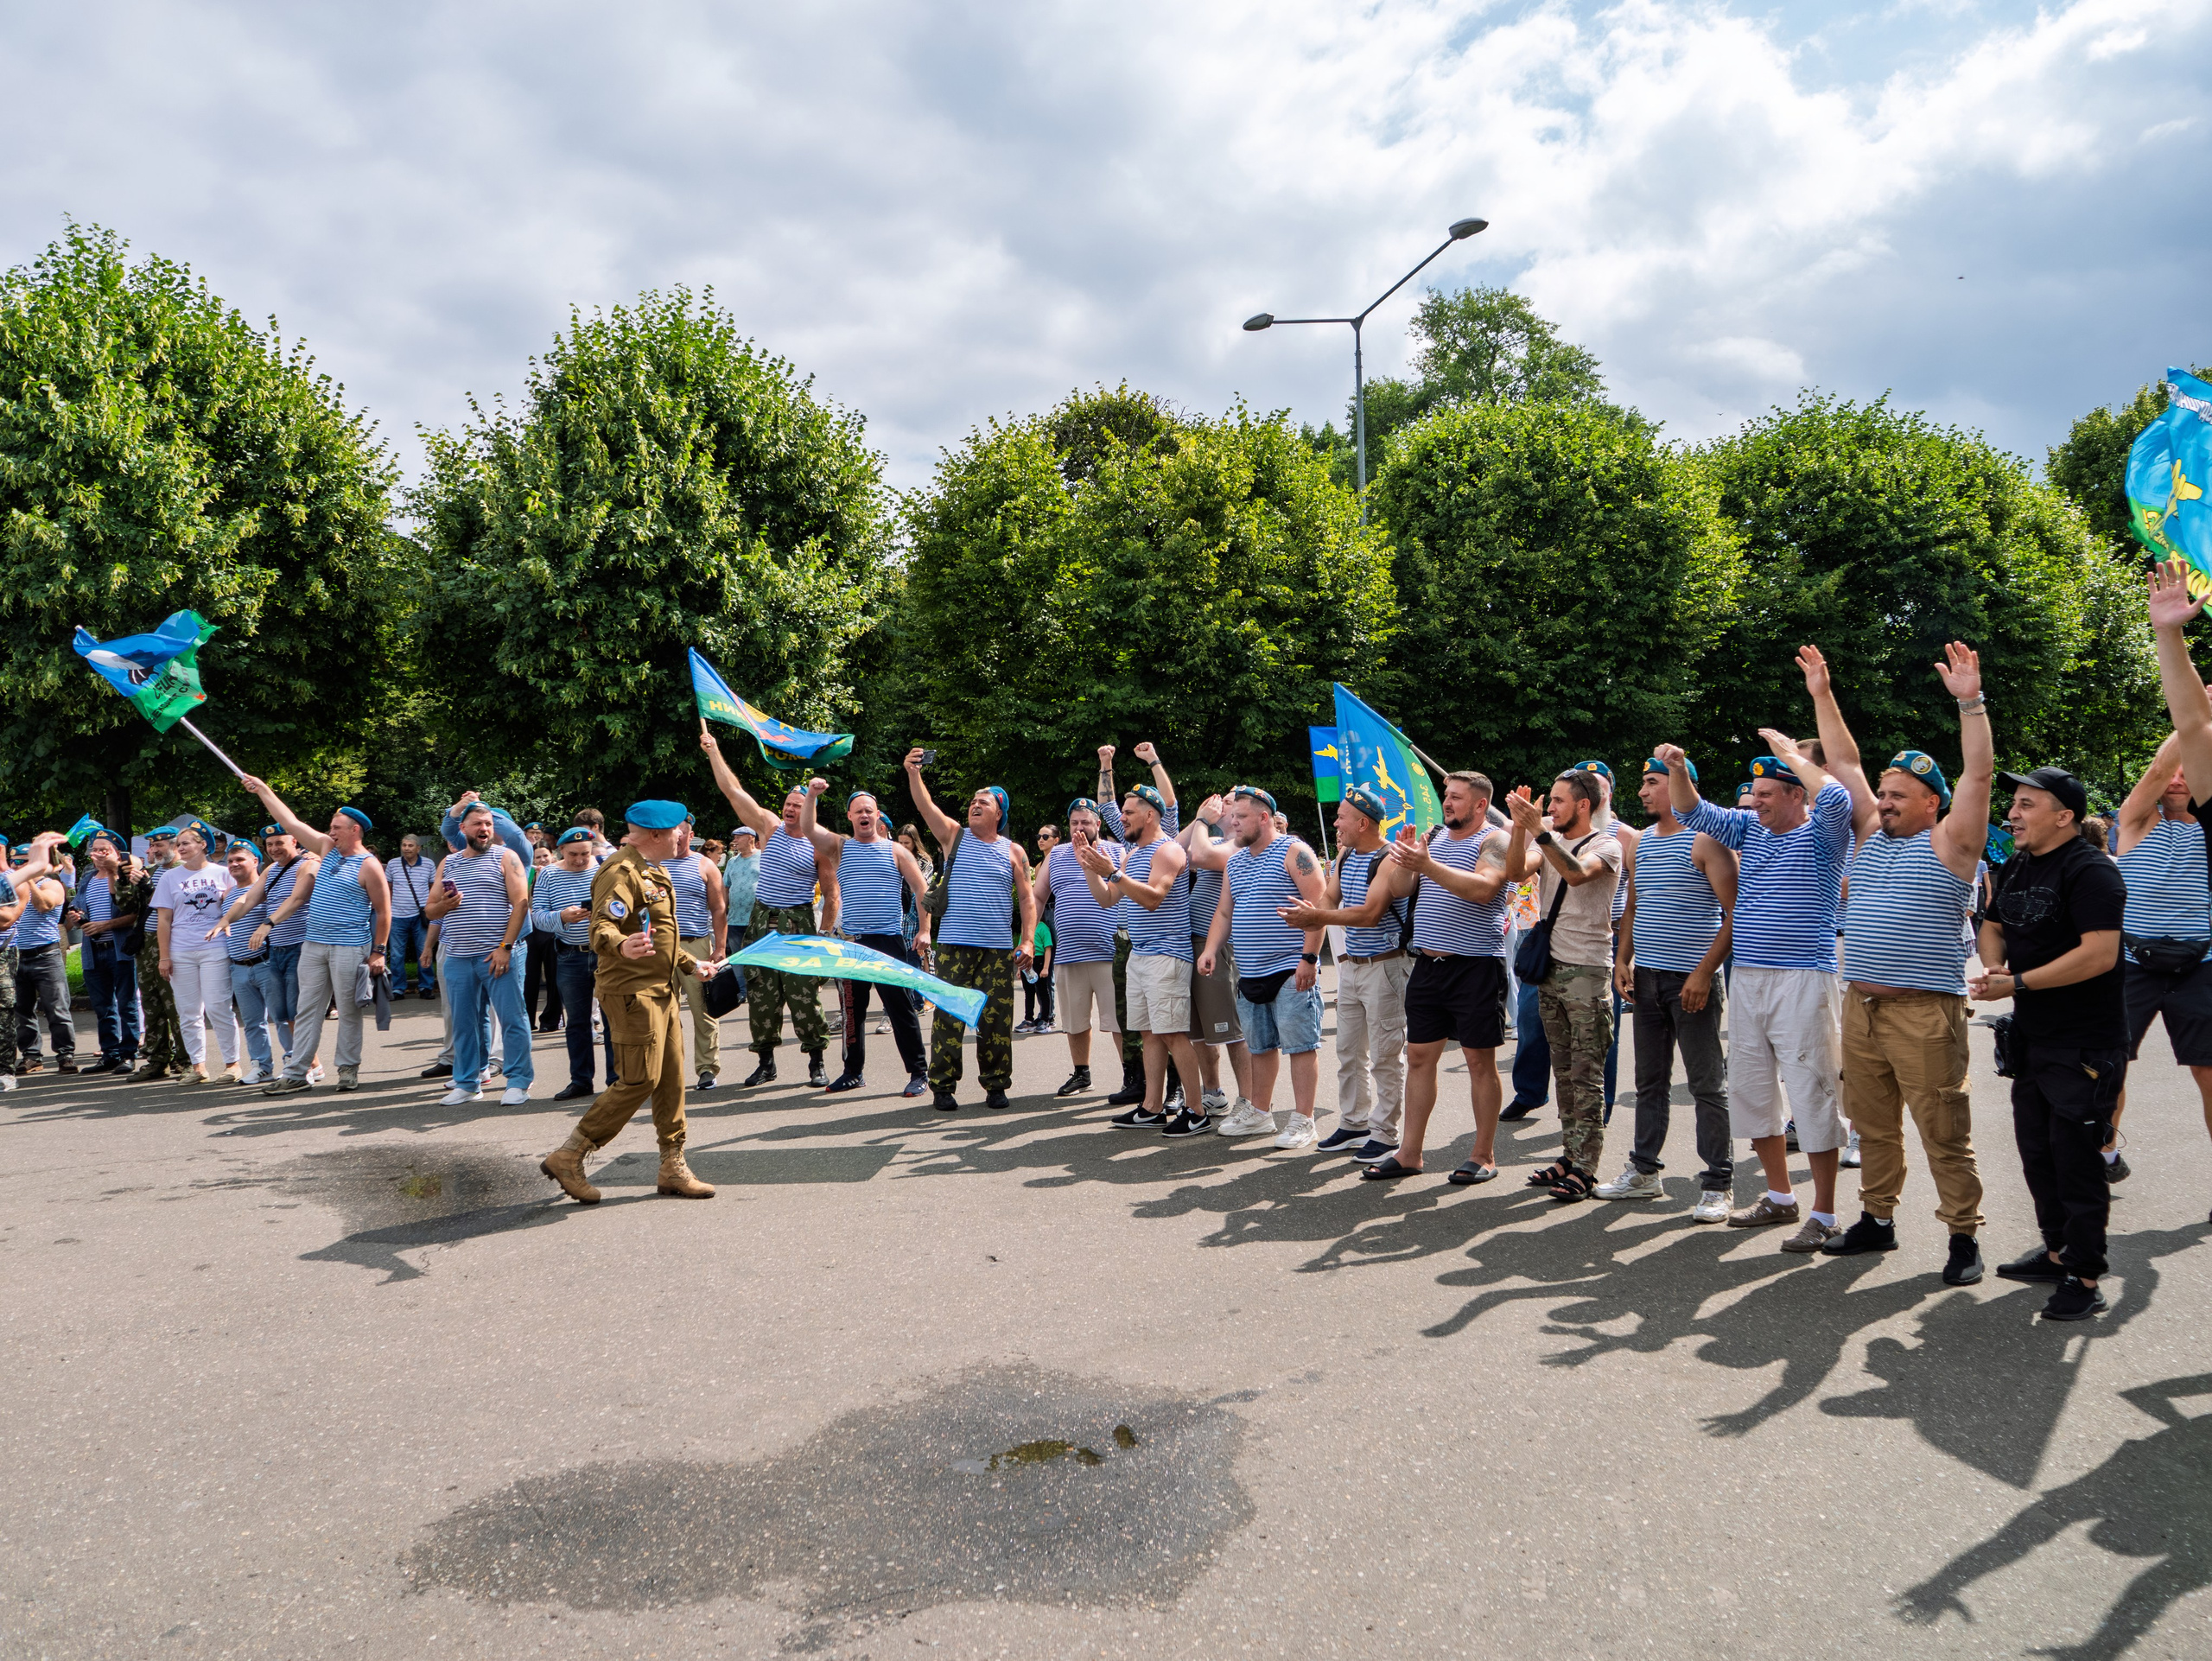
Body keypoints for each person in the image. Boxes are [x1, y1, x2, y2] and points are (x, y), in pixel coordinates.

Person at [1789, 642, 1993, 1283]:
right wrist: (1822, 694)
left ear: (1934, 802)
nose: (1883, 800)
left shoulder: (1954, 841)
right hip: (1864, 1007)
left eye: (1898, 794)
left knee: (1942, 1131)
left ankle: (1963, 1238)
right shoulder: (1872, 836)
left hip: (1924, 1013)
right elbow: (1844, 759)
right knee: (1873, 1127)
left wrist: (1970, 704)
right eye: (1882, 791)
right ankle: (1877, 1220)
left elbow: (1980, 777)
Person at [1660, 725, 1854, 1250]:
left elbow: (1836, 794)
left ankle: (1825, 1212)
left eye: (1769, 793)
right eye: (1756, 794)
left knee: (1812, 1091)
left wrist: (1792, 754)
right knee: (1753, 1091)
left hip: (1802, 979)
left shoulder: (1822, 834)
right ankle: (1780, 1197)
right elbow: (1693, 812)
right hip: (1747, 976)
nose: (1756, 801)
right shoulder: (1751, 829)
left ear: (1797, 794)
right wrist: (1678, 770)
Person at [1972, 765, 2126, 1321]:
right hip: (2035, 1037)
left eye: (2027, 804)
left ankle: (2085, 1278)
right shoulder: (2017, 864)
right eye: (2014, 802)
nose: (2012, 813)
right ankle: (2058, 1252)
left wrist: (2018, 983)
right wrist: (1994, 968)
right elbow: (1993, 925)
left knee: (2076, 1161)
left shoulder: (2091, 872)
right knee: (2038, 1152)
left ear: (2064, 816)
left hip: (2085, 1044)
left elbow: (2100, 954)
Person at [538, 800, 721, 1204]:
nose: (683, 836)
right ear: (657, 834)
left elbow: (662, 936)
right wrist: (622, 944)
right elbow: (600, 926)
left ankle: (672, 1165)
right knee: (641, 1078)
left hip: (661, 990)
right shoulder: (620, 871)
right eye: (678, 830)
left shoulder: (654, 871)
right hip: (631, 993)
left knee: (671, 1077)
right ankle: (571, 1152)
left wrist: (693, 965)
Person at [1363, 773, 1534, 1181]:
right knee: (1420, 1057)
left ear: (1479, 805)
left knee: (1479, 1061)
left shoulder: (1494, 840)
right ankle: (1410, 1153)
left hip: (1475, 966)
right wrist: (1407, 860)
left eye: (1456, 797)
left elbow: (1484, 889)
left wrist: (1427, 864)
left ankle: (1484, 1154)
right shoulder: (1436, 838)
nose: (1447, 802)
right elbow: (1403, 890)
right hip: (1428, 966)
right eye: (1446, 795)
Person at [1602, 757, 1737, 1220]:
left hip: (1691, 981)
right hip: (1648, 979)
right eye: (1641, 782)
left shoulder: (1707, 841)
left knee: (1706, 1085)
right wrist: (1623, 960)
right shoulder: (1641, 845)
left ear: (1682, 786)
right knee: (1649, 1082)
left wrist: (1703, 974)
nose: (1642, 791)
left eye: (1652, 783)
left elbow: (1735, 916)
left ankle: (1719, 1183)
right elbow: (1634, 907)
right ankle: (1644, 1172)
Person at [1280, 785, 1413, 1159]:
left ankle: (1385, 1134)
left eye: (1341, 817)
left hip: (1385, 967)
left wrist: (1315, 916)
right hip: (1352, 967)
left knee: (1386, 1055)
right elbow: (1329, 899)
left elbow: (1370, 914)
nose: (1335, 822)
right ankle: (1355, 1124)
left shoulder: (1389, 858)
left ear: (1363, 823)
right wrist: (1310, 915)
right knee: (1349, 1051)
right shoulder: (1346, 855)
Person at [1509, 771, 1624, 1200]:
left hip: (1588, 972)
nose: (1550, 807)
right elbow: (1516, 872)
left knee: (1586, 1073)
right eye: (1548, 801)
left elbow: (1575, 874)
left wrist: (1538, 829)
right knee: (1563, 1071)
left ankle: (1587, 1169)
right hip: (1552, 971)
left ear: (1583, 805)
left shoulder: (1606, 845)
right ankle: (1569, 1157)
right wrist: (1522, 826)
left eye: (1557, 801)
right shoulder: (1547, 839)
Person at [1192, 786, 1327, 1149]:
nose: (1233, 823)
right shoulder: (1235, 861)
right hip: (1250, 971)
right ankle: (1260, 1113)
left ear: (1264, 818)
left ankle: (1303, 1121)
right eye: (1232, 817)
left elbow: (1317, 908)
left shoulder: (1295, 852)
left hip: (1290, 968)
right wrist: (1210, 949)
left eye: (1241, 817)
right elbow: (1224, 910)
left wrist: (1309, 959)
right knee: (1260, 1047)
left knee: (1300, 1046)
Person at [238, 780, 391, 1096]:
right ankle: (297, 1072)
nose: (331, 832)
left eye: (337, 828)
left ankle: (348, 1069)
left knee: (348, 1009)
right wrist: (264, 790)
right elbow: (290, 822)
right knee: (306, 1009)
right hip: (314, 944)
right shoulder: (326, 850)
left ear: (355, 831)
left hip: (350, 947)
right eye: (331, 827)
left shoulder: (369, 865)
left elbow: (384, 911)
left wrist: (379, 952)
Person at [905, 750, 1037, 1111]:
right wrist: (913, 773)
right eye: (973, 801)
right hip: (953, 946)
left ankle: (996, 1086)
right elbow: (926, 807)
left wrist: (1027, 939)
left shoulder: (1014, 852)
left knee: (995, 1021)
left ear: (999, 813)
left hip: (996, 950)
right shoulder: (954, 836)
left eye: (984, 801)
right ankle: (943, 1087)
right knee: (948, 1017)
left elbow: (1027, 900)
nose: (975, 805)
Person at [700, 730, 833, 1087]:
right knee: (761, 996)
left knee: (803, 996)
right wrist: (714, 751)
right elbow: (734, 790)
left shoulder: (819, 844)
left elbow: (832, 896)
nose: (791, 809)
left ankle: (816, 1062)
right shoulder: (769, 828)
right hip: (761, 922)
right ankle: (766, 1063)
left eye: (799, 804)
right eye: (788, 804)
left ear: (811, 808)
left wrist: (825, 937)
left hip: (799, 922)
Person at [2108, 730, 2211, 1185]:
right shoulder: (2134, 822)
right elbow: (2155, 772)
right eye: (2174, 768)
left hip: (2201, 964)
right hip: (2133, 962)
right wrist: (2191, 725)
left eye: (2190, 770)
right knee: (2108, 1062)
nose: (2177, 777)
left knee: (2209, 1075)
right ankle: (2104, 1154)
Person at [1076, 781, 1206, 1135]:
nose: (1122, 818)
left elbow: (1153, 898)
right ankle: (1151, 1107)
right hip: (1140, 954)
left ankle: (1197, 1111)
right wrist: (1087, 862)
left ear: (1150, 815)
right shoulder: (1135, 853)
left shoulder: (1168, 851)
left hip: (1167, 955)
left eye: (1128, 812)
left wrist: (1112, 871)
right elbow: (1107, 899)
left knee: (1173, 1034)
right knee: (1149, 1034)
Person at [819, 786, 933, 1096]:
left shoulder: (896, 850)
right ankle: (853, 1072)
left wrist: (925, 930)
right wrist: (813, 797)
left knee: (900, 1009)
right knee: (852, 1012)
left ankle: (919, 1072)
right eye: (859, 811)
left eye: (870, 810)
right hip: (853, 943)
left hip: (888, 942)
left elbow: (922, 890)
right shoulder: (840, 848)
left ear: (878, 814)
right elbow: (807, 828)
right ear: (850, 816)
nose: (865, 815)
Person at [423, 801, 535, 1107]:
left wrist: (505, 947)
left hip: (497, 954)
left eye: (488, 824)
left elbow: (521, 903)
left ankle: (519, 1081)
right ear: (463, 829)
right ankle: (468, 1082)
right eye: (477, 824)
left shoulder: (506, 857)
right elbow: (430, 909)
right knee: (465, 1022)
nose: (484, 829)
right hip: (459, 956)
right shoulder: (449, 863)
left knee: (513, 1019)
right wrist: (445, 905)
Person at [1035, 797, 1125, 1100]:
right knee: (1074, 1021)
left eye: (1086, 822)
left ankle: (1132, 1076)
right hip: (1069, 954)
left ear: (1098, 824)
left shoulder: (1115, 850)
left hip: (1110, 953)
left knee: (1120, 1022)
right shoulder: (1057, 854)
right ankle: (1081, 1073)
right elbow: (1037, 897)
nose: (1080, 827)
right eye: (1074, 823)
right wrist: (1027, 936)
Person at [217, 822, 315, 1083]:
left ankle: (301, 1065)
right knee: (276, 1015)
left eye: (279, 842)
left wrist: (267, 924)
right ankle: (272, 1066)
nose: (274, 848)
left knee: (292, 1014)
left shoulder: (306, 865)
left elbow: (297, 899)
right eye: (270, 844)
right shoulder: (271, 870)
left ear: (294, 841)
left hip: (297, 947)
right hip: (275, 952)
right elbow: (248, 900)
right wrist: (224, 921)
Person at [1180, 799, 1255, 1123]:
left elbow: (1199, 856)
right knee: (1199, 1032)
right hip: (1193, 943)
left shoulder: (1238, 845)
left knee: (1231, 1031)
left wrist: (1200, 820)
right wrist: (1199, 821)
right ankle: (1213, 1094)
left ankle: (1250, 1100)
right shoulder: (1211, 837)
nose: (1220, 805)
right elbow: (1171, 850)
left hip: (1217, 946)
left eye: (1227, 803)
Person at [531, 827, 615, 1102]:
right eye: (573, 854)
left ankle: (617, 1080)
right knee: (577, 1022)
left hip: (607, 953)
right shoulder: (549, 874)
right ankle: (581, 1081)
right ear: (561, 852)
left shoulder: (604, 868)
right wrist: (562, 917)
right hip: (569, 955)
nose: (580, 859)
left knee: (613, 1019)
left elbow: (625, 907)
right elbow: (539, 916)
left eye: (585, 854)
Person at [154, 824, 240, 1085]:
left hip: (214, 949)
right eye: (178, 844)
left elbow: (241, 903)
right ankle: (198, 1067)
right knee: (188, 1011)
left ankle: (232, 1064)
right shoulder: (169, 878)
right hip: (181, 951)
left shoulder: (224, 873)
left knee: (218, 1007)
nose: (180, 848)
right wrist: (164, 956)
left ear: (203, 845)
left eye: (186, 843)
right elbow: (164, 920)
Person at [68, 829, 142, 1074]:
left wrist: (106, 925)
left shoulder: (126, 876)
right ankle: (109, 1054)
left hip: (120, 950)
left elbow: (135, 914)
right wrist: (77, 917)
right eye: (94, 850)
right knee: (103, 1006)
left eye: (104, 850)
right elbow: (78, 908)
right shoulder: (88, 878)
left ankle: (128, 1054)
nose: (97, 854)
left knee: (126, 1004)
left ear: (116, 853)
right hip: (93, 950)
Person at [667, 816, 729, 1090]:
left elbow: (718, 909)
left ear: (691, 836)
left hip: (696, 945)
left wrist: (719, 949)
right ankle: (668, 1069)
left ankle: (706, 1068)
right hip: (661, 948)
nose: (677, 838)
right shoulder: (651, 865)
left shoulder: (705, 865)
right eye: (673, 833)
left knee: (703, 1010)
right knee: (663, 1012)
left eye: (682, 833)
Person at [11, 833, 75, 1073]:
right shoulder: (10, 889)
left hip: (45, 955)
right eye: (14, 862)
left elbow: (45, 905)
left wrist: (27, 881)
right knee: (22, 1010)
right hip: (18, 955)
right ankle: (31, 1056)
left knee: (56, 1008)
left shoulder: (51, 884)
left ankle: (65, 1055)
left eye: (22, 862)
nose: (16, 866)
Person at [130, 825, 187, 1079]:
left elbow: (174, 904)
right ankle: (157, 1059)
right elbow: (127, 906)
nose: (154, 850)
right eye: (152, 846)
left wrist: (148, 886)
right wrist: (124, 883)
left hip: (173, 943)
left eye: (159, 846)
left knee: (176, 1005)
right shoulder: (149, 871)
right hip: (147, 945)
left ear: (174, 846)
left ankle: (186, 1060)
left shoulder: (183, 872)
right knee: (151, 1003)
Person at [223, 840, 280, 1085]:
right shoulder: (226, 894)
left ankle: (294, 1063)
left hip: (266, 962)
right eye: (230, 861)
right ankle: (261, 1066)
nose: (234, 864)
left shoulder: (265, 887)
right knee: (252, 1023)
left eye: (240, 860)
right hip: (238, 967)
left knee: (283, 1018)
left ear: (256, 861)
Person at [1020, 822, 1063, 1034]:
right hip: (1044, 913)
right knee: (1045, 965)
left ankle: (1049, 1015)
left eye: (1045, 836)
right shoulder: (1038, 866)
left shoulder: (1063, 860)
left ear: (1057, 840)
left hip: (1058, 913)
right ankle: (1043, 1014)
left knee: (1052, 966)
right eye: (1039, 836)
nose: (1040, 840)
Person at [385, 834, 435, 997]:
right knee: (397, 954)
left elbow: (433, 888)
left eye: (410, 846)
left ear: (418, 848)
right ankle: (398, 988)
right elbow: (388, 889)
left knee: (424, 951)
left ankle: (426, 987)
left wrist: (430, 909)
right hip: (397, 916)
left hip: (421, 917)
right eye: (404, 845)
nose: (406, 848)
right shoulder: (393, 864)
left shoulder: (428, 864)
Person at [723, 824, 760, 998]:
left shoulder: (764, 857)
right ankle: (743, 990)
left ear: (750, 838)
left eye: (738, 837)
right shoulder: (732, 862)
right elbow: (726, 887)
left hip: (757, 918)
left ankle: (759, 989)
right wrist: (723, 911)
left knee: (757, 955)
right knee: (737, 956)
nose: (735, 841)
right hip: (735, 918)